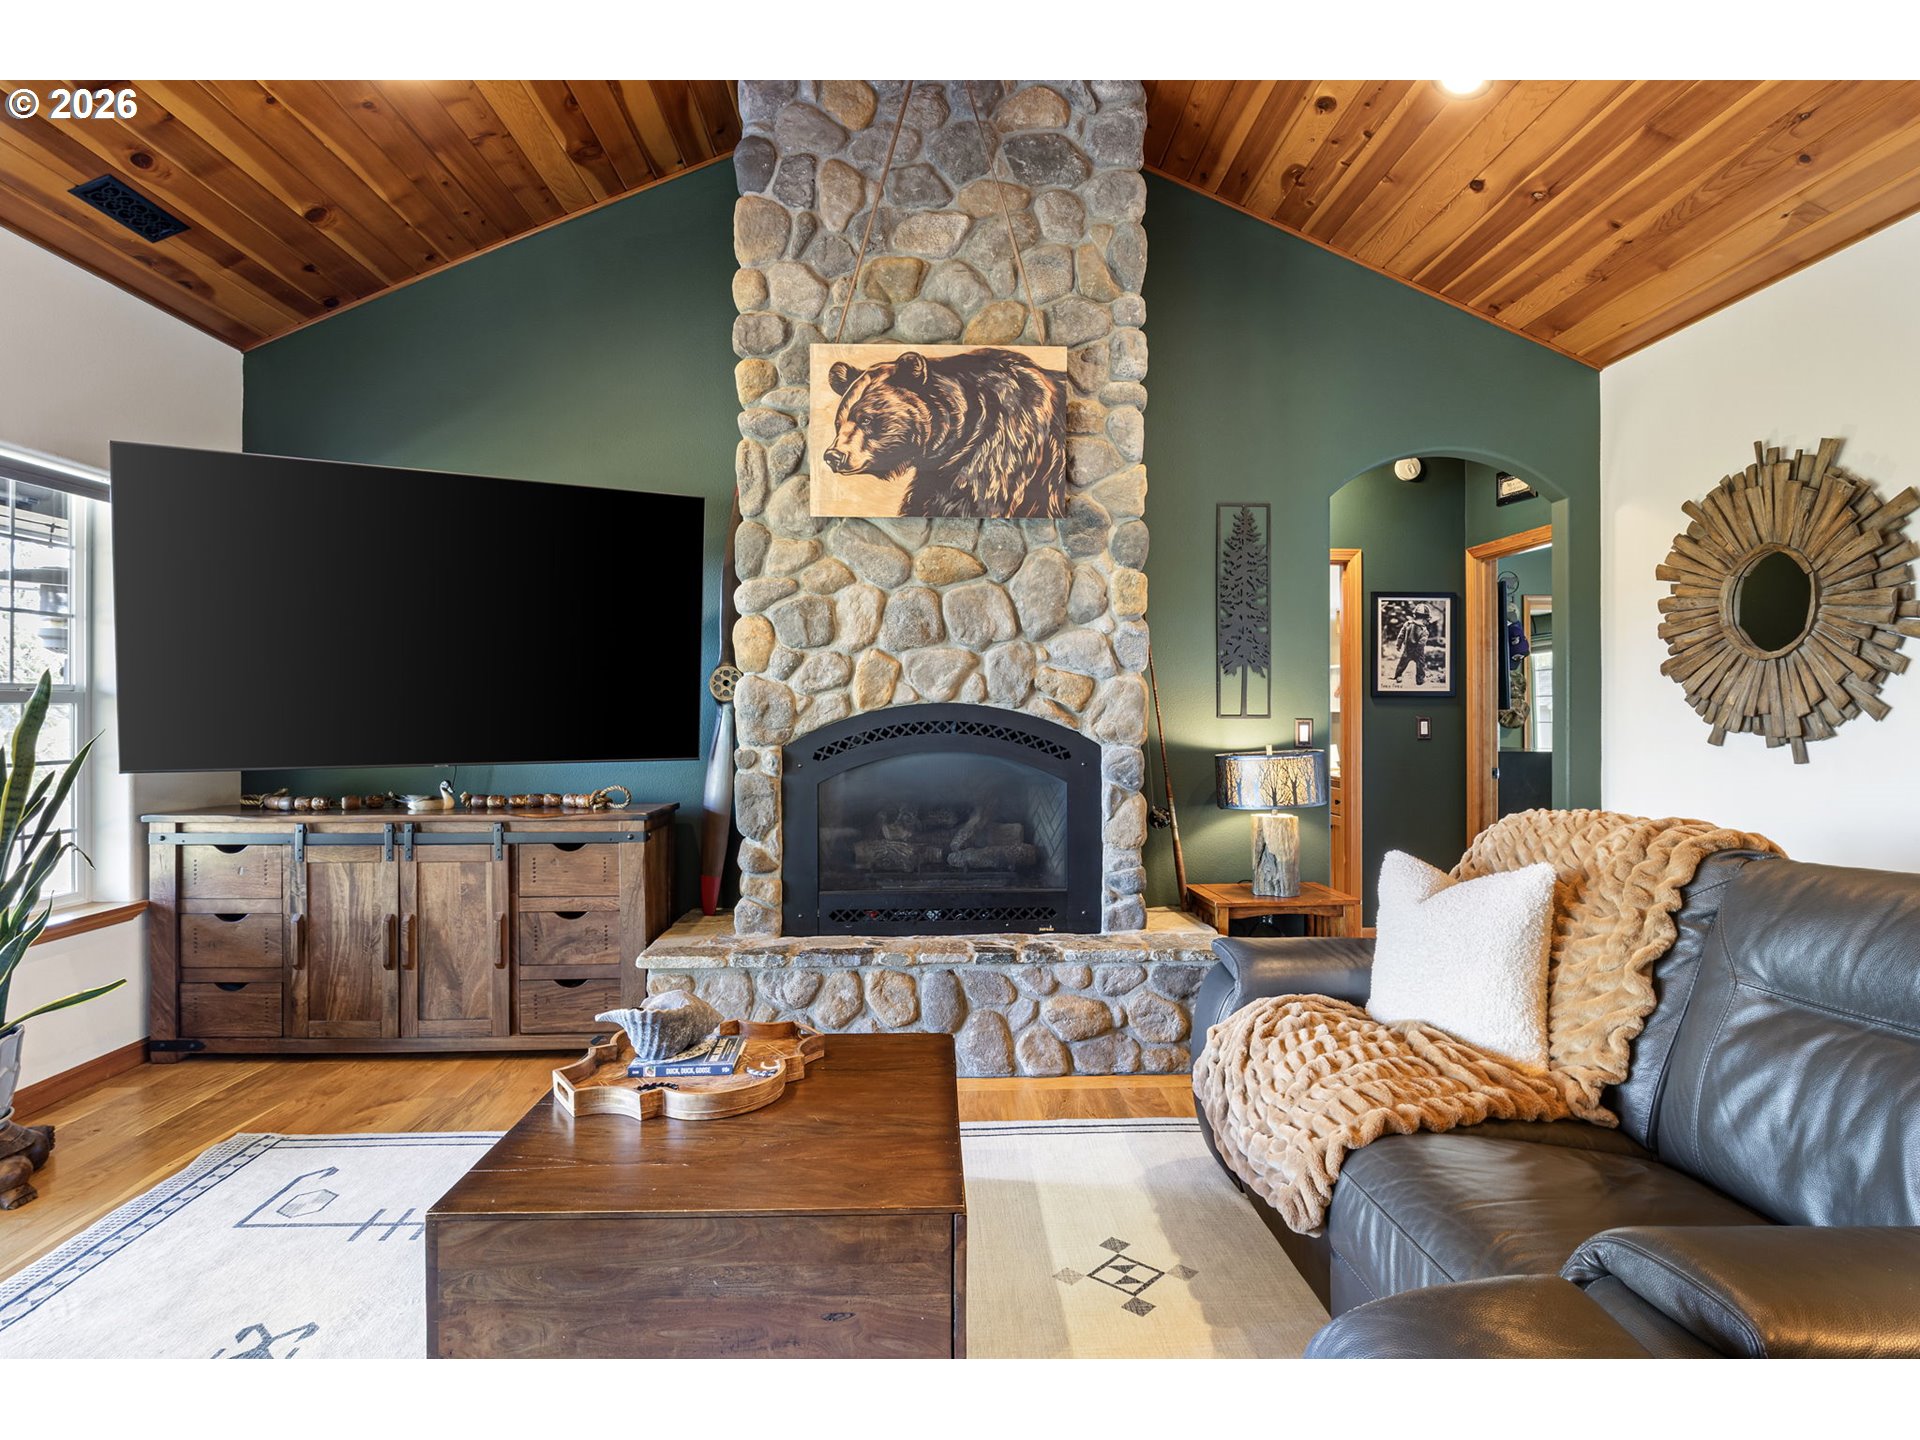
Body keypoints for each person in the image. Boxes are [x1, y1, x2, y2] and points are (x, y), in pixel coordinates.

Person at [1392, 606, 1433, 686]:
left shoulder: (1407, 624)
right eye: (1427, 620)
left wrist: (1398, 645)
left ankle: (1398, 676)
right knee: (1420, 665)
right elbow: (1422, 643)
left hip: (1407, 650)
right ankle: (1420, 680)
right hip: (1418, 652)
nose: (1427, 622)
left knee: (1402, 664)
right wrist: (1418, 652)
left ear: (1415, 615)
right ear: (1425, 618)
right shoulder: (1424, 630)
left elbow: (1401, 635)